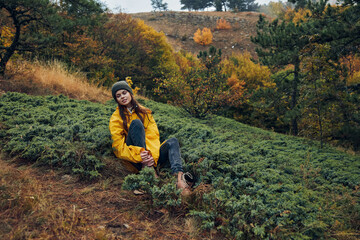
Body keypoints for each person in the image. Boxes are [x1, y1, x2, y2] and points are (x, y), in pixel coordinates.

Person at [109, 81, 192, 195]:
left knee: (173, 141)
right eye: (118, 96)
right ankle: (148, 173)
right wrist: (140, 154)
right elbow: (118, 148)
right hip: (135, 159)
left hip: (151, 157)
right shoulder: (115, 118)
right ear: (116, 100)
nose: (122, 97)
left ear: (130, 93)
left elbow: (153, 136)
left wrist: (150, 156)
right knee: (136, 124)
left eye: (124, 93)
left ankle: (179, 178)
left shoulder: (145, 112)